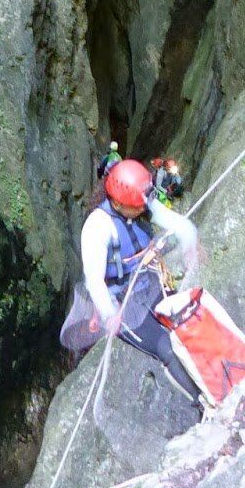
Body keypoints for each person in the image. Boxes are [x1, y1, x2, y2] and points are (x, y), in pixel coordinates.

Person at [80, 156, 202, 404]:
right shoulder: (97, 227)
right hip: (124, 303)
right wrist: (109, 313)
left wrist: (190, 240)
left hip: (149, 285)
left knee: (190, 325)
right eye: (137, 206)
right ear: (117, 202)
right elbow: (94, 280)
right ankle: (201, 401)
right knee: (167, 348)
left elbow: (175, 222)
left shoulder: (139, 201)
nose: (142, 209)